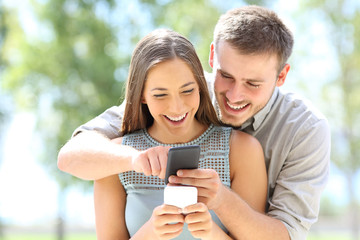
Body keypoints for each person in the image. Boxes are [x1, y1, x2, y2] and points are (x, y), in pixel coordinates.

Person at [58, 5, 331, 240]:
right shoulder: (182, 89)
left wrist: (220, 203)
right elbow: (72, 155)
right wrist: (134, 160)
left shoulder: (305, 130)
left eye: (253, 83)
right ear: (212, 58)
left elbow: (285, 234)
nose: (235, 95)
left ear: (281, 76)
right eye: (226, 75)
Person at [90, 29, 267, 239]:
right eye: (160, 94)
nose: (176, 107)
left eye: (187, 90)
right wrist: (150, 233)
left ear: (201, 87)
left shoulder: (241, 150)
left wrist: (211, 233)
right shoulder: (115, 157)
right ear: (142, 96)